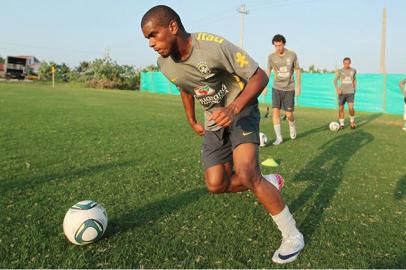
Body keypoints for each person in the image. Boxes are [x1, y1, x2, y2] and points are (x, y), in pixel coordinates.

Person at [141, 5, 304, 264]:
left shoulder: (213, 46)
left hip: (242, 109)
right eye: (147, 38)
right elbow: (184, 87)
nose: (150, 43)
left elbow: (260, 77)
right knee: (216, 184)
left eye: (153, 35)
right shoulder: (164, 64)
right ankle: (269, 182)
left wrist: (234, 107)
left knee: (247, 172)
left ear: (172, 27)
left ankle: (292, 235)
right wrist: (192, 119)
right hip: (214, 120)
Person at [265, 34, 301, 145]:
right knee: (275, 112)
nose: (278, 48)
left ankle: (292, 126)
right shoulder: (271, 57)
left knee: (289, 114)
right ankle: (279, 138)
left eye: (279, 45)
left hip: (289, 88)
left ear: (283, 44)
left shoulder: (292, 55)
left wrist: (298, 85)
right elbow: (268, 71)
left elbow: (297, 70)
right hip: (276, 87)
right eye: (275, 46)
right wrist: (265, 86)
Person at [334, 57, 357, 129]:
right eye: (345, 63)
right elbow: (335, 80)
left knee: (351, 108)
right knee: (341, 108)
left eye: (348, 63)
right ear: (343, 63)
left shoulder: (353, 70)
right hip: (342, 92)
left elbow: (354, 79)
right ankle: (341, 124)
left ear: (350, 63)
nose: (347, 64)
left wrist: (354, 89)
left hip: (350, 92)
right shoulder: (340, 71)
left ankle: (352, 121)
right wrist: (337, 89)